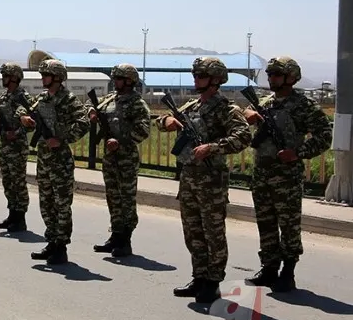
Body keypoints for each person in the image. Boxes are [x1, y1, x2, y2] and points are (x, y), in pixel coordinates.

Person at [157, 57, 251, 303]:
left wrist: (213, 147)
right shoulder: (192, 107)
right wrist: (166, 121)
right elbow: (161, 120)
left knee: (213, 232)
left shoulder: (226, 109)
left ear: (216, 80)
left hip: (211, 180)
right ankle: (198, 276)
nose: (196, 79)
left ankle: (213, 280)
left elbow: (243, 136)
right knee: (192, 230)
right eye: (195, 74)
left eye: (201, 75)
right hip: (189, 178)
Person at [242, 56, 333, 292]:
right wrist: (247, 115)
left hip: (286, 176)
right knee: (266, 222)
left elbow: (324, 136)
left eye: (276, 74)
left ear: (291, 78)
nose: (271, 78)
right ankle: (269, 268)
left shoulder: (303, 105)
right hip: (262, 174)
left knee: (289, 224)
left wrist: (297, 153)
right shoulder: (265, 103)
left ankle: (288, 271)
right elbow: (244, 117)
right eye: (270, 74)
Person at [21, 59, 90, 265]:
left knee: (61, 204)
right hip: (44, 159)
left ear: (57, 77)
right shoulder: (42, 98)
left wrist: (61, 139)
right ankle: (51, 240)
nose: (43, 78)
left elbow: (83, 123)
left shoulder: (69, 100)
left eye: (46, 75)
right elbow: (24, 111)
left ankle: (61, 246)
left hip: (60, 160)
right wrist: (25, 119)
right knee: (46, 202)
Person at [90, 64, 151, 257]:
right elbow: (93, 107)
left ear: (129, 81)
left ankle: (125, 239)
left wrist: (122, 141)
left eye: (118, 79)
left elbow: (143, 130)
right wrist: (91, 113)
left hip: (126, 157)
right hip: (110, 157)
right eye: (114, 78)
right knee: (112, 196)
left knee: (126, 198)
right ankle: (115, 234)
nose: (114, 82)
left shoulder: (137, 103)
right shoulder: (110, 99)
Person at [0, 62, 35, 233]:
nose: (3, 78)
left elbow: (32, 121)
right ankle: (12, 214)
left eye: (6, 75)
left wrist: (18, 131)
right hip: (5, 145)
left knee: (18, 182)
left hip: (17, 147)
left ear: (14, 77)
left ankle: (20, 218)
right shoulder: (5, 96)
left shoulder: (23, 97)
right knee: (8, 181)